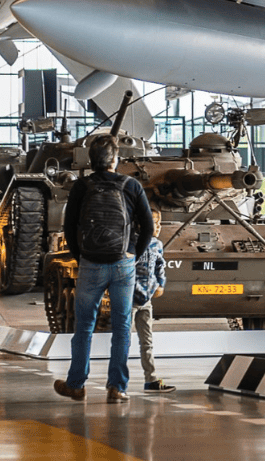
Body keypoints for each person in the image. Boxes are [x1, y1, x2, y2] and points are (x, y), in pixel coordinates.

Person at [54, 133, 154, 403]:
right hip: (123, 263)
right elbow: (149, 227)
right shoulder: (130, 185)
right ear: (115, 159)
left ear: (91, 160)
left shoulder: (81, 187)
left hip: (91, 262)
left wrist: (81, 255)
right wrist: (133, 254)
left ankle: (76, 385)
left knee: (84, 326)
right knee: (122, 327)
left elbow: (69, 226)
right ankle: (117, 387)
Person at [133, 208, 175, 393]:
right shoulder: (132, 243)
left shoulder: (157, 244)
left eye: (159, 223)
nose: (158, 227)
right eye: (155, 223)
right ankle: (117, 381)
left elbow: (160, 265)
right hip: (130, 298)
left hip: (147, 298)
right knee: (122, 340)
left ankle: (150, 379)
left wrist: (161, 283)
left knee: (147, 342)